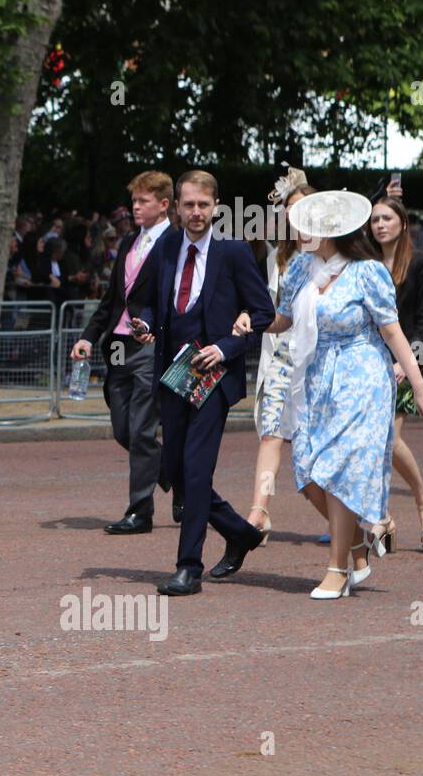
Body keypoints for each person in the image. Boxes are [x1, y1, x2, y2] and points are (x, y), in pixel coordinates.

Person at [266, 191, 423, 598]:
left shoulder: (366, 272)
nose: (298, 232)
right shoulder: (300, 269)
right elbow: (283, 319)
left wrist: (418, 383)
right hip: (316, 375)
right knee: (307, 471)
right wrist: (247, 319)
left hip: (362, 377)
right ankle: (359, 542)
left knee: (339, 470)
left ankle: (337, 570)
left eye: (304, 225)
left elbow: (392, 332)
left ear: (327, 230)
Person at [131, 170, 275, 595]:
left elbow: (263, 311)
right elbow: (142, 298)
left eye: (203, 205)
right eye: (188, 204)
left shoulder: (233, 251)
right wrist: (145, 323)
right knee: (175, 469)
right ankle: (241, 532)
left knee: (196, 469)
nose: (196, 212)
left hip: (214, 377)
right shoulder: (166, 246)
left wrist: (230, 344)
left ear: (216, 206)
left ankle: (187, 567)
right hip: (174, 375)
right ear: (176, 206)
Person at [71, 171, 175, 534]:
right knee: (122, 427)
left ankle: (140, 511)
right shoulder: (131, 240)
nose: (135, 207)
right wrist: (87, 336)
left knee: (143, 428)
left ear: (163, 205)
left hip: (149, 345)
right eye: (134, 200)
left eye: (143, 201)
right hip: (116, 345)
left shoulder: (175, 242)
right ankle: (177, 474)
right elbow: (113, 298)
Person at [238, 173, 316, 543]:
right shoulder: (278, 258)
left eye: (302, 210)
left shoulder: (340, 258)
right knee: (271, 436)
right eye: (289, 211)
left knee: (315, 451)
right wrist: (249, 319)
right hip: (280, 362)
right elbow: (269, 311)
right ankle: (260, 511)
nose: (295, 218)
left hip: (320, 366)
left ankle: (370, 516)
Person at [370, 195, 423, 548]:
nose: (380, 225)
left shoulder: (419, 264)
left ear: (402, 223)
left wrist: (407, 363)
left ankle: (422, 501)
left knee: (387, 437)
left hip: (408, 359)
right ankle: (382, 517)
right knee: (375, 442)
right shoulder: (366, 264)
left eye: (386, 218)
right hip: (370, 361)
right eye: (374, 220)